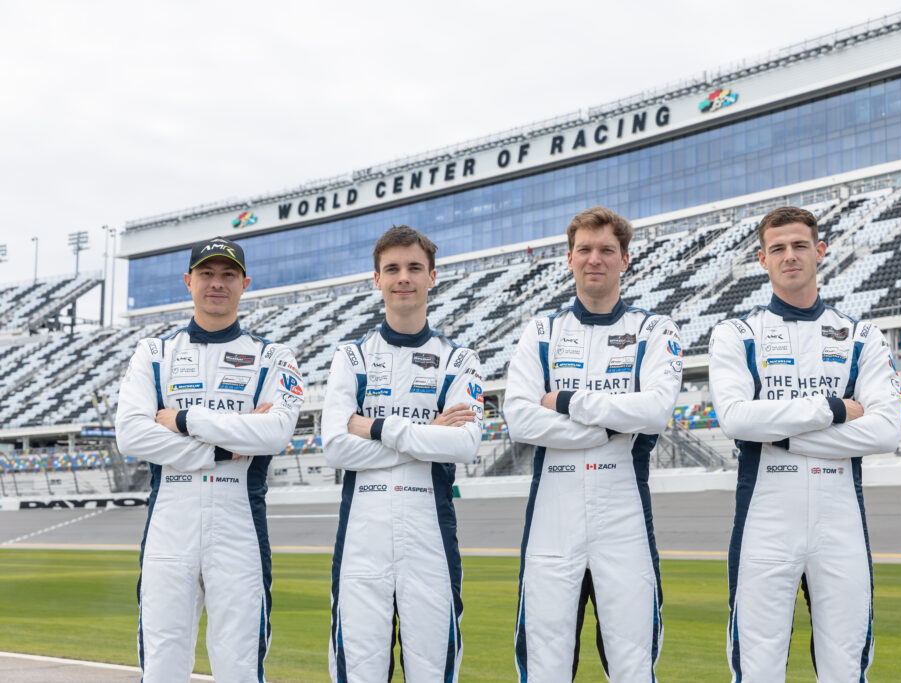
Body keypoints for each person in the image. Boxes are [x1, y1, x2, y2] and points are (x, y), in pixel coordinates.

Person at [708, 206, 901, 682]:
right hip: (764, 520)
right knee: (756, 669)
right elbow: (735, 418)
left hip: (840, 522)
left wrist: (780, 437)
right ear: (762, 259)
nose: (789, 256)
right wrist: (833, 409)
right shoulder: (737, 333)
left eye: (798, 246)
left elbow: (884, 431)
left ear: (820, 251)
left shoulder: (861, 336)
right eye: (777, 248)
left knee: (847, 667)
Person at [504, 206, 683, 682]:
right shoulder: (540, 332)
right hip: (551, 517)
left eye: (607, 250)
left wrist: (563, 400)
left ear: (625, 259)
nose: (594, 259)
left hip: (622, 515)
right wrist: (607, 426)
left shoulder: (654, 330)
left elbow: (655, 410)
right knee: (545, 667)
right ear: (569, 259)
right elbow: (519, 419)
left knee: (632, 667)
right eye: (584, 249)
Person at [116, 236, 304, 682]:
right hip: (169, 522)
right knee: (162, 661)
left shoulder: (273, 356)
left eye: (228, 275)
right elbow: (130, 435)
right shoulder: (154, 353)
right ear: (188, 281)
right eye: (206, 274)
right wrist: (225, 445)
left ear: (245, 283)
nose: (216, 283)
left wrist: (182, 419)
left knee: (239, 663)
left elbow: (275, 432)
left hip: (239, 521)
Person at [322, 225, 483, 682]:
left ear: (432, 276)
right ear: (377, 279)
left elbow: (464, 443)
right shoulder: (350, 357)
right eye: (392, 269)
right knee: (358, 671)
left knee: (432, 670)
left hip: (430, 532)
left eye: (414, 267)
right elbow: (334, 446)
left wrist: (376, 427)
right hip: (362, 536)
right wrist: (423, 434)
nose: (403, 278)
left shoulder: (459, 359)